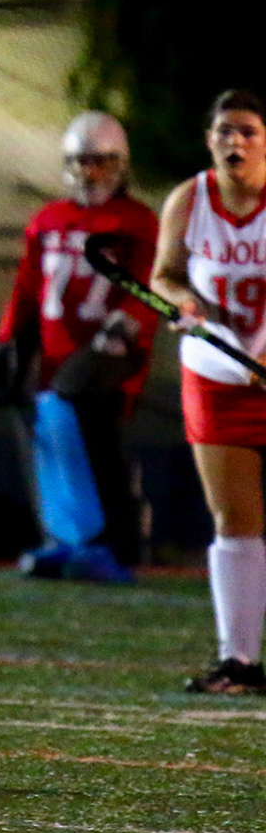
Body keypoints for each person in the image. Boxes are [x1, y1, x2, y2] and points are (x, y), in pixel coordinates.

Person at [0, 111, 159, 584]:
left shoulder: (137, 221)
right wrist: (6, 342)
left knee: (92, 437)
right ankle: (62, 537)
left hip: (109, 353)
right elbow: (27, 288)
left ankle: (111, 545)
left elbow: (149, 283)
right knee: (45, 432)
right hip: (55, 352)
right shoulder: (49, 219)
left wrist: (126, 327)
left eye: (100, 162)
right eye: (82, 162)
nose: (90, 172)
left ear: (119, 165)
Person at [152, 90, 266, 695]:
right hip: (215, 374)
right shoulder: (190, 199)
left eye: (247, 131)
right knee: (234, 519)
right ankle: (239, 661)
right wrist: (183, 304)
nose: (235, 142)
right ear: (209, 141)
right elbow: (164, 275)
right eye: (224, 131)